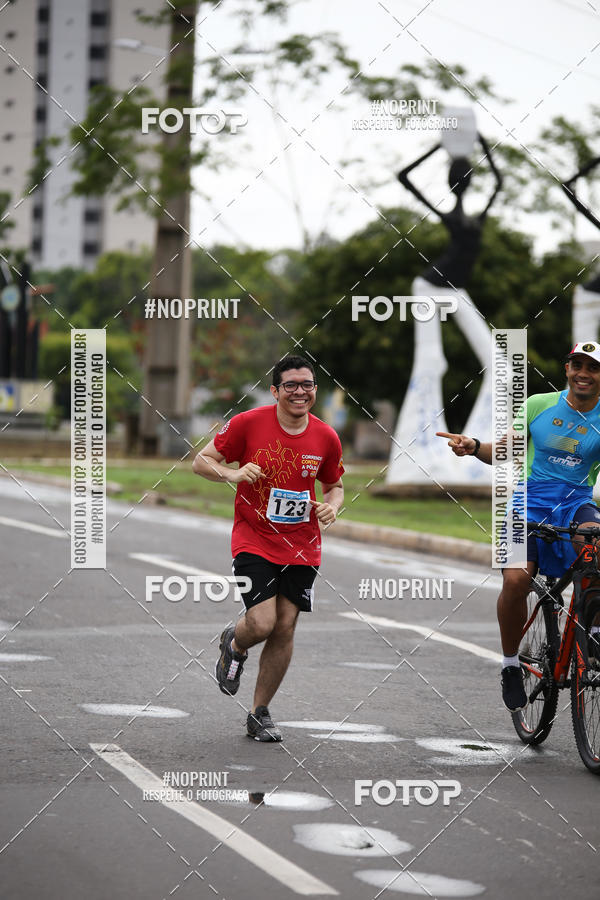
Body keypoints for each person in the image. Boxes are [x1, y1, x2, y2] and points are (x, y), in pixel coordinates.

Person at [437, 342, 600, 711]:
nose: (584, 373)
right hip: (528, 502)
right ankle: (511, 664)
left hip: (577, 501)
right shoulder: (539, 405)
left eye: (593, 368)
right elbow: (506, 450)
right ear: (567, 369)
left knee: (596, 550)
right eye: (578, 365)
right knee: (515, 581)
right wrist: (473, 445)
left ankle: (592, 635)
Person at [192, 355, 344, 742]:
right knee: (262, 623)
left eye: (307, 384)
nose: (300, 392)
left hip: (302, 544)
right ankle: (235, 643)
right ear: (275, 390)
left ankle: (259, 713)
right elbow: (201, 461)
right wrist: (232, 473)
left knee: (286, 626)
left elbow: (334, 485)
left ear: (315, 390)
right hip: (254, 537)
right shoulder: (247, 423)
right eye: (291, 385)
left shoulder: (326, 436)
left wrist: (333, 506)